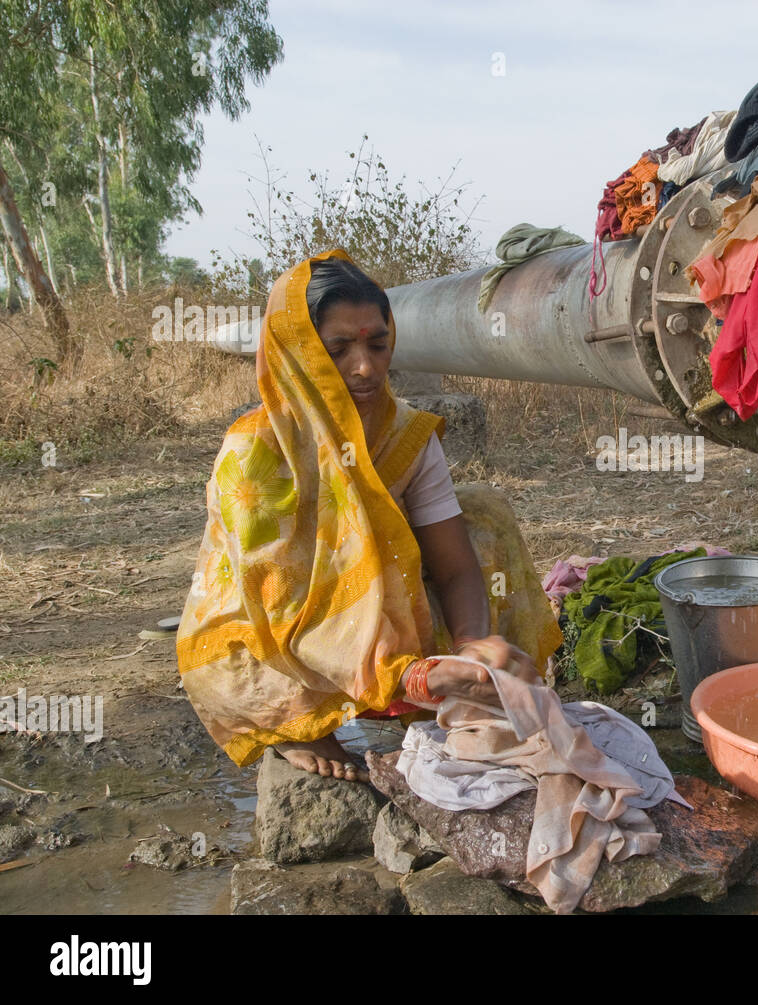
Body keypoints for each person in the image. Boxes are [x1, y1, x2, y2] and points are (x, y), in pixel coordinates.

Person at [176, 249, 563, 782]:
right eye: (338, 350)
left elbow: (453, 565)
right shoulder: (255, 456)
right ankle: (306, 724)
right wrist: (409, 674)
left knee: (484, 517)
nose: (366, 368)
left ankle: (438, 689)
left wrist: (473, 644)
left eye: (377, 345)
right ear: (298, 355)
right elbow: (285, 608)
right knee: (254, 641)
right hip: (280, 639)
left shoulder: (404, 435)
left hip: (380, 629)